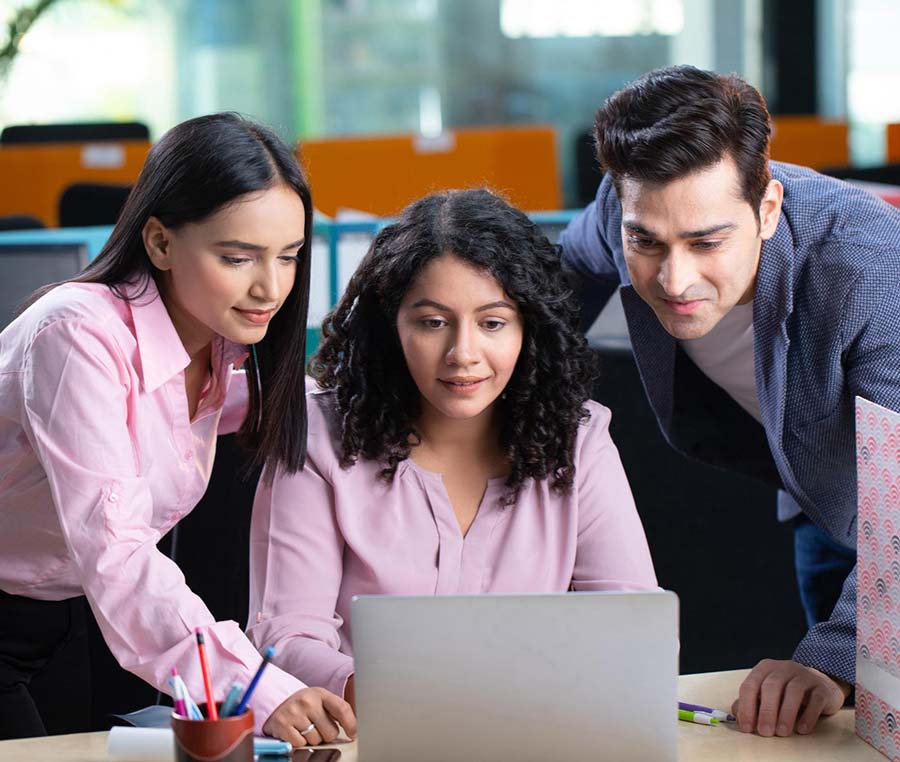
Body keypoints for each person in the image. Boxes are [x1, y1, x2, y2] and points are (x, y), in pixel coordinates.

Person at [559, 64, 900, 736]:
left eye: (707, 242)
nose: (674, 280)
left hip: (890, 509)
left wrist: (835, 657)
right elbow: (550, 292)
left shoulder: (872, 273)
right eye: (647, 243)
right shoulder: (622, 211)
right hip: (819, 495)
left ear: (767, 209)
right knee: (835, 731)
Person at [0, 113, 354, 746]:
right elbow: (118, 550)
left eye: (289, 256)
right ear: (160, 243)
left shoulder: (214, 350)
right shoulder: (78, 336)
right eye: (237, 257)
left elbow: (271, 404)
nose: (270, 287)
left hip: (60, 617)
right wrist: (254, 689)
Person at [247, 188, 658, 716]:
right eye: (432, 322)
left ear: (528, 328)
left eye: (493, 323)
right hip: (369, 734)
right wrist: (380, 691)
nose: (463, 354)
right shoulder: (317, 439)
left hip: (531, 732)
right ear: (392, 325)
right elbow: (284, 638)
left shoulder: (580, 442)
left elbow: (634, 626)